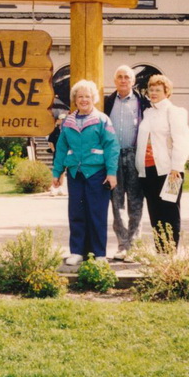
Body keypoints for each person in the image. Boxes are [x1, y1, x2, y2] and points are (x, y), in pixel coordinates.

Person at [51, 80, 119, 266]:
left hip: (97, 173)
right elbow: (61, 149)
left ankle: (99, 254)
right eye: (80, 96)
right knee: (76, 213)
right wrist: (57, 172)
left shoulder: (102, 119)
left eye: (87, 96)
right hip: (75, 174)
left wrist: (112, 172)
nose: (83, 100)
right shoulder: (68, 122)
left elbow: (112, 147)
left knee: (97, 213)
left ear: (93, 99)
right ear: (75, 99)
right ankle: (77, 251)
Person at [135, 74, 189, 249]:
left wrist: (176, 167)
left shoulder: (175, 112)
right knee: (155, 213)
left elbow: (181, 141)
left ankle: (170, 253)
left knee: (170, 212)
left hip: (169, 172)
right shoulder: (147, 112)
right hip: (148, 171)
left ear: (166, 92)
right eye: (151, 89)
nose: (153, 93)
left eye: (158, 90)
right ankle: (160, 251)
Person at [103, 65, 150, 261]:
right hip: (113, 156)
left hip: (134, 155)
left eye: (127, 77)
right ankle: (122, 245)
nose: (123, 80)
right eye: (120, 77)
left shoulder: (142, 103)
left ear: (133, 81)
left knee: (136, 201)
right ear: (115, 81)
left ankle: (134, 245)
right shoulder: (107, 102)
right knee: (116, 202)